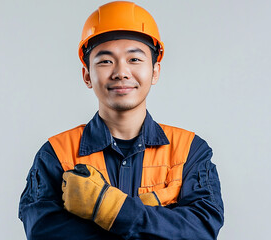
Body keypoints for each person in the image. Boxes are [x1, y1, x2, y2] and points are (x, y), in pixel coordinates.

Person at [18, 1, 224, 239]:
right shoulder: (56, 154)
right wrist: (149, 219)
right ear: (87, 75)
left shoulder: (189, 151)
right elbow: (42, 232)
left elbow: (201, 230)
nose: (121, 72)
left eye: (134, 59)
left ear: (155, 71)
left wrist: (108, 208)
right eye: (106, 61)